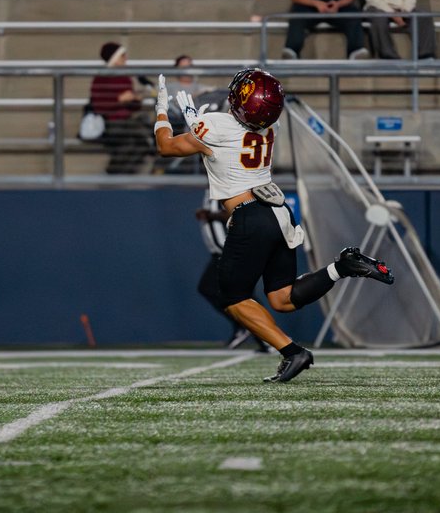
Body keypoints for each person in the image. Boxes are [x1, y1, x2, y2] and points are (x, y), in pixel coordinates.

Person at [151, 67, 394, 383]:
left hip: (250, 217)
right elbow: (222, 139)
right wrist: (198, 123)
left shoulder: (216, 125)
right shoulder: (268, 128)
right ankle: (342, 267)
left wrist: (160, 110)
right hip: (278, 212)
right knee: (281, 298)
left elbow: (166, 146)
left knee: (232, 298)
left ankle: (293, 352)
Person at [195, 198, 267, 350]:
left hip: (232, 252)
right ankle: (255, 331)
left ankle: (265, 334)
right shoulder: (210, 191)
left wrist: (210, 215)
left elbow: (238, 213)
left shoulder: (226, 187)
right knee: (215, 290)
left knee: (241, 295)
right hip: (220, 254)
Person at [89, 41, 151, 175]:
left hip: (126, 121)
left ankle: (122, 175)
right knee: (133, 141)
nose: (125, 59)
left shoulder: (125, 78)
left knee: (140, 145)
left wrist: (135, 99)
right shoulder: (101, 78)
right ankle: (112, 174)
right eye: (122, 56)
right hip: (111, 122)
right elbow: (99, 105)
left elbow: (133, 108)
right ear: (114, 58)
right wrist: (119, 100)